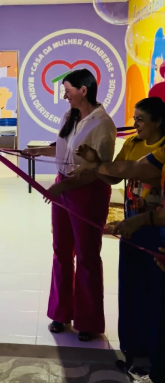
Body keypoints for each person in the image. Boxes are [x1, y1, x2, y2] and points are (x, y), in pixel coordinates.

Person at [72, 98, 165, 383]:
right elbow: (114, 177)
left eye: (141, 119)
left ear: (158, 121)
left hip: (157, 234)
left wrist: (96, 166)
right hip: (131, 229)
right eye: (134, 118)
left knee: (156, 297)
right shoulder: (133, 143)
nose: (135, 124)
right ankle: (133, 352)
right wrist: (97, 164)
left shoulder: (162, 150)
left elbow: (130, 170)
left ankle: (155, 360)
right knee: (131, 291)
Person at [23, 69, 116, 341]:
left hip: (88, 192)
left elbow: (99, 170)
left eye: (67, 90)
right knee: (61, 251)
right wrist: (40, 151)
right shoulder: (70, 116)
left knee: (87, 255)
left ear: (83, 90)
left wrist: (62, 187)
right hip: (63, 186)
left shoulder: (103, 124)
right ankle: (61, 313)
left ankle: (88, 320)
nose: (64, 95)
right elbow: (65, 148)